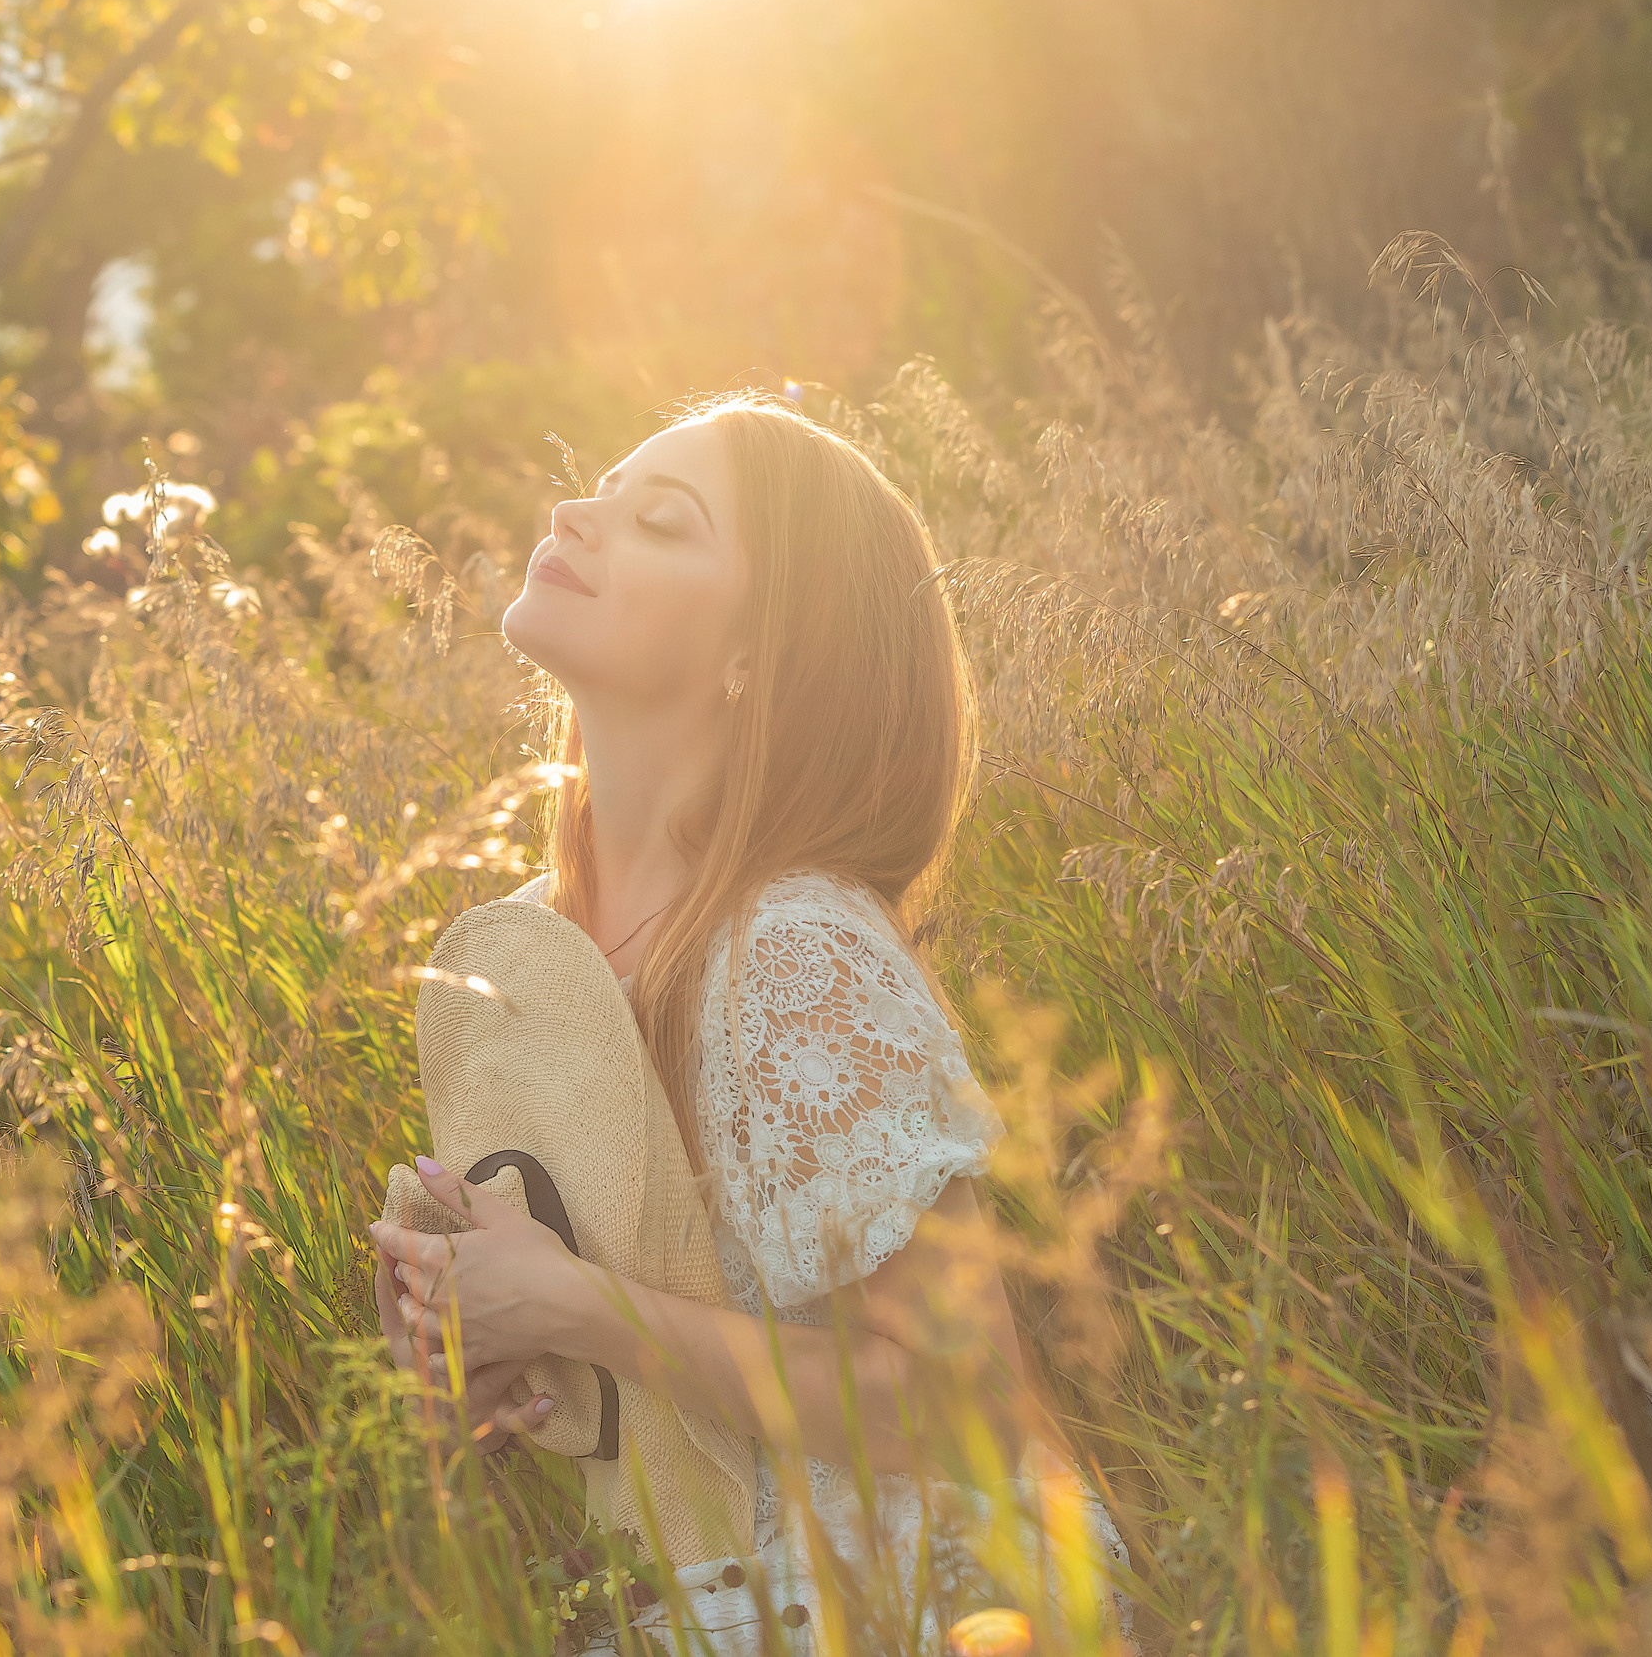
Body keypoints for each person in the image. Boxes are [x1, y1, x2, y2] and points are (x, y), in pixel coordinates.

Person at [368, 393, 1129, 1653]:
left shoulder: (790, 946)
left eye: (659, 520)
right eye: (596, 489)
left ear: (758, 658)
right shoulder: (526, 958)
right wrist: (471, 1364)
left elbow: (967, 1406)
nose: (575, 515)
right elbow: (642, 1426)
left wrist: (576, 1310)